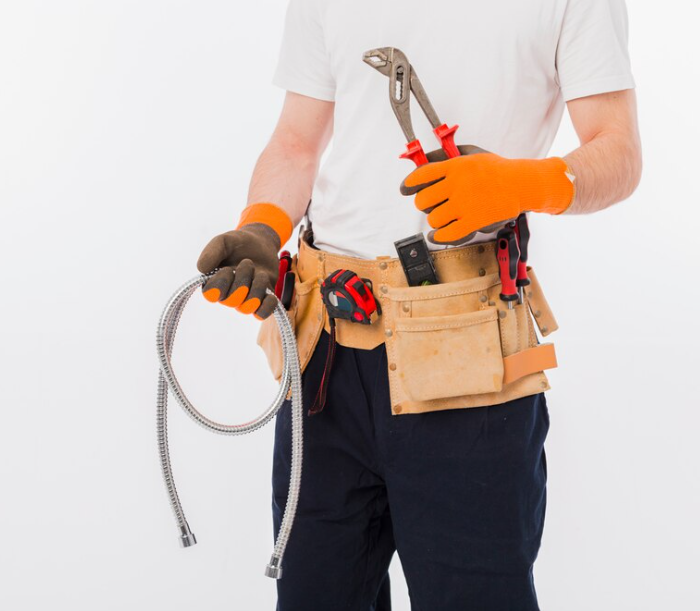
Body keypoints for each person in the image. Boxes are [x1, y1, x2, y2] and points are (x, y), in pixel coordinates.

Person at [194, 1, 641, 609]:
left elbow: (618, 153)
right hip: (323, 357)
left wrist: (520, 183)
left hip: (468, 359)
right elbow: (296, 144)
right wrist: (263, 229)